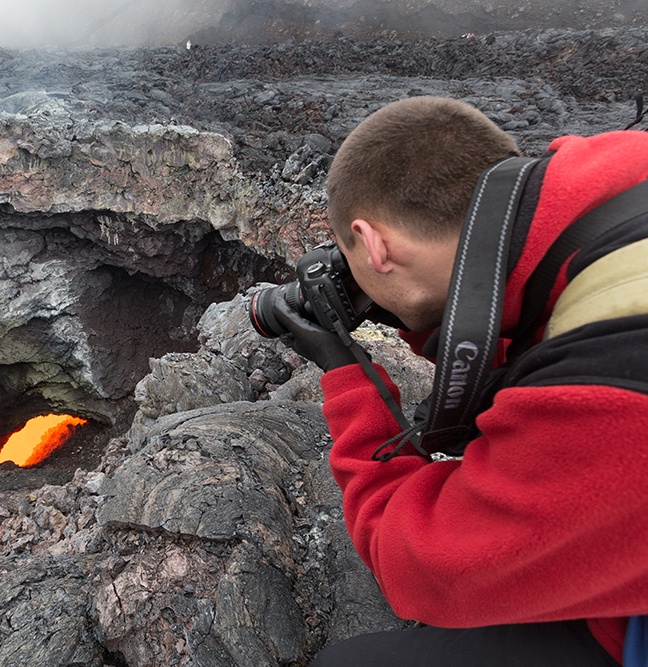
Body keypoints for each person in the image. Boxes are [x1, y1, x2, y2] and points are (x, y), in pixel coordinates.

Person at [269, 96, 648, 666]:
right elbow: (530, 313)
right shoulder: (611, 172)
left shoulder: (606, 382)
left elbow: (421, 565)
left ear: (374, 245)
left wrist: (348, 376)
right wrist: (413, 309)